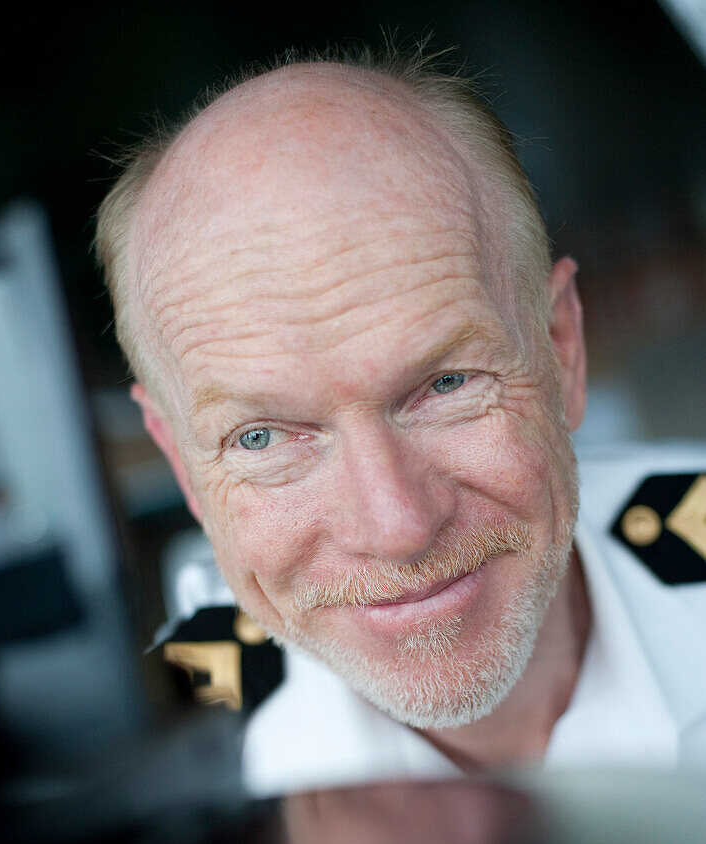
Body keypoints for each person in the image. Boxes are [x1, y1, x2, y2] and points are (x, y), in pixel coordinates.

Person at [94, 45, 706, 795]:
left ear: (560, 350)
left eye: (445, 384)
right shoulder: (157, 774)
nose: (397, 526)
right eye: (260, 437)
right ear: (183, 463)